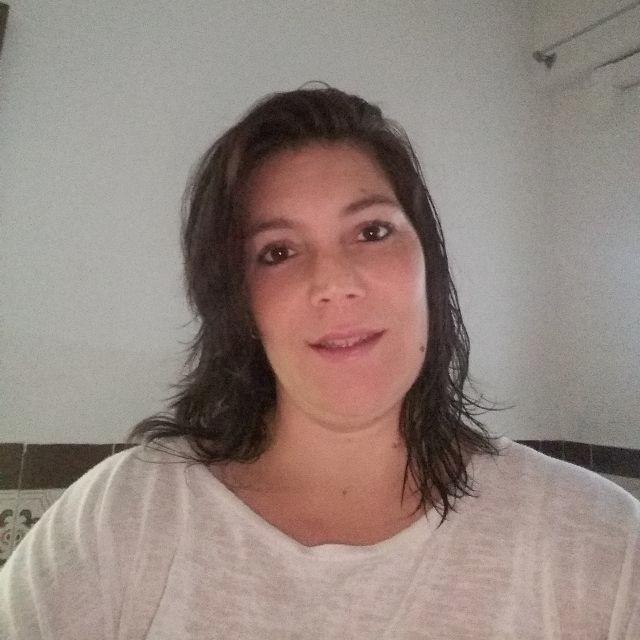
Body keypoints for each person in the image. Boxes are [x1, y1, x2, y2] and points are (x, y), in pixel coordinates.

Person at [1, 85, 638, 639]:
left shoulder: (597, 541)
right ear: (236, 301)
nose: (334, 283)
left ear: (427, 261)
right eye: (277, 252)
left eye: (372, 232)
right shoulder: (123, 518)